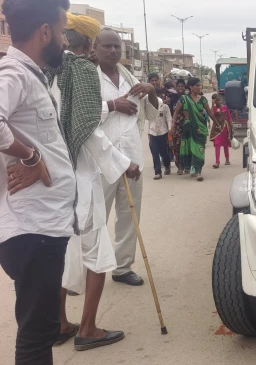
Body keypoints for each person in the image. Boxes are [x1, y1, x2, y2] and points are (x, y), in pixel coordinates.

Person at [46, 13, 137, 351]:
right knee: (96, 253)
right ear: (89, 44)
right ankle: (88, 329)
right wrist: (124, 164)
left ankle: (58, 323)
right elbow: (88, 130)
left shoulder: (45, 70)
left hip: (50, 180)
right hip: (80, 177)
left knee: (61, 252)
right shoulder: (81, 70)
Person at [0, 0, 75, 363]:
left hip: (43, 228)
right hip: (34, 231)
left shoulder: (31, 76)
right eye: (62, 32)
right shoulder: (13, 73)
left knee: (39, 334)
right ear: (44, 32)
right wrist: (31, 156)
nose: (63, 41)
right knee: (36, 338)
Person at [95, 28, 159, 286]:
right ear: (95, 47)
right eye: (107, 46)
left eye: (117, 47)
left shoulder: (130, 78)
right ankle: (88, 270)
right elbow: (81, 116)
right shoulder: (89, 78)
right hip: (100, 160)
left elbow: (153, 116)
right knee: (95, 219)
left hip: (132, 158)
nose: (112, 50)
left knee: (129, 216)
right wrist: (113, 105)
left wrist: (152, 91)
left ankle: (122, 268)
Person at [171, 77, 220, 181]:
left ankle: (198, 171)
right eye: (197, 85)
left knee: (200, 149)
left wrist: (217, 124)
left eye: (199, 85)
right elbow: (176, 112)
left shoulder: (202, 99)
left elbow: (210, 113)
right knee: (190, 149)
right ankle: (191, 167)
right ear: (191, 87)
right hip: (188, 127)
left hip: (200, 128)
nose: (199, 87)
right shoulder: (184, 99)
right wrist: (173, 125)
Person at [148, 88, 172, 179]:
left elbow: (169, 118)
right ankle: (157, 172)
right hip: (153, 133)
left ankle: (167, 165)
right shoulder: (149, 107)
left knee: (164, 153)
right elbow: (149, 120)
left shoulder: (165, 107)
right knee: (154, 153)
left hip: (163, 133)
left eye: (159, 94)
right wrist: (148, 132)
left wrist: (170, 130)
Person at [210, 94, 232, 168]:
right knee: (217, 144)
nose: (218, 101)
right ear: (214, 101)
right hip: (217, 129)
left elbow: (229, 117)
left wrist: (231, 127)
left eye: (219, 100)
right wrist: (212, 105)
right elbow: (211, 114)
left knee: (225, 144)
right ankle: (217, 162)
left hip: (225, 128)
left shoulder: (225, 107)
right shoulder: (214, 108)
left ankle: (227, 159)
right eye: (216, 100)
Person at [169, 79, 186, 174]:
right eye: (178, 86)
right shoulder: (173, 98)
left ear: (185, 87)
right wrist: (172, 125)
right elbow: (172, 112)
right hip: (176, 126)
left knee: (187, 146)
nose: (180, 88)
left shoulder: (188, 98)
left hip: (187, 125)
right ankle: (179, 166)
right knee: (177, 146)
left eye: (182, 86)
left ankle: (186, 166)